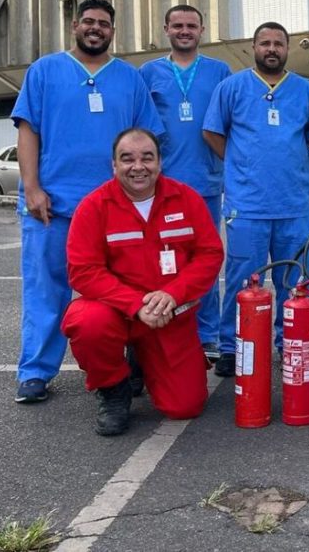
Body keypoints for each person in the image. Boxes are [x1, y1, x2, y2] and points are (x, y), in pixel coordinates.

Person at [12, 0, 163, 405]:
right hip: (53, 206)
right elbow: (28, 131)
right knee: (46, 289)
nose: (96, 28)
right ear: (75, 25)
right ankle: (36, 372)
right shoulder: (44, 71)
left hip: (116, 209)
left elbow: (144, 141)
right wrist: (31, 187)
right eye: (89, 21)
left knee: (126, 288)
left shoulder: (129, 79)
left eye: (104, 24)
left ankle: (127, 367)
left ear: (113, 31)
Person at [61, 128, 224, 435]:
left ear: (160, 163)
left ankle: (141, 359)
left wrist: (173, 294)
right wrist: (136, 305)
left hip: (169, 316)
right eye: (127, 159)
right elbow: (83, 270)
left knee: (184, 407)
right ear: (114, 165)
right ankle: (114, 389)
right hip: (118, 313)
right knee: (86, 321)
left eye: (147, 157)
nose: (138, 166)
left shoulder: (186, 199)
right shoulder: (94, 207)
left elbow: (209, 254)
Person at [203, 22, 309, 378]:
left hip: (293, 205)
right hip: (247, 206)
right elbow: (212, 132)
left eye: (278, 44)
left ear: (287, 49)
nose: (272, 49)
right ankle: (229, 345)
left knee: (295, 282)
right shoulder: (232, 87)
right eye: (265, 43)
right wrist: (242, 164)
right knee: (241, 280)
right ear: (253, 47)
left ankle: (291, 342)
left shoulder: (303, 90)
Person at [139, 5, 232, 359]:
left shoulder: (219, 71)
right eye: (177, 25)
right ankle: (166, 327)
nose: (184, 31)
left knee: (204, 261)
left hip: (206, 184)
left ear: (202, 30)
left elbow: (229, 123)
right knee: (163, 261)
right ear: (166, 29)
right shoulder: (148, 73)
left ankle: (206, 332)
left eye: (191, 25)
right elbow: (141, 127)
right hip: (161, 188)